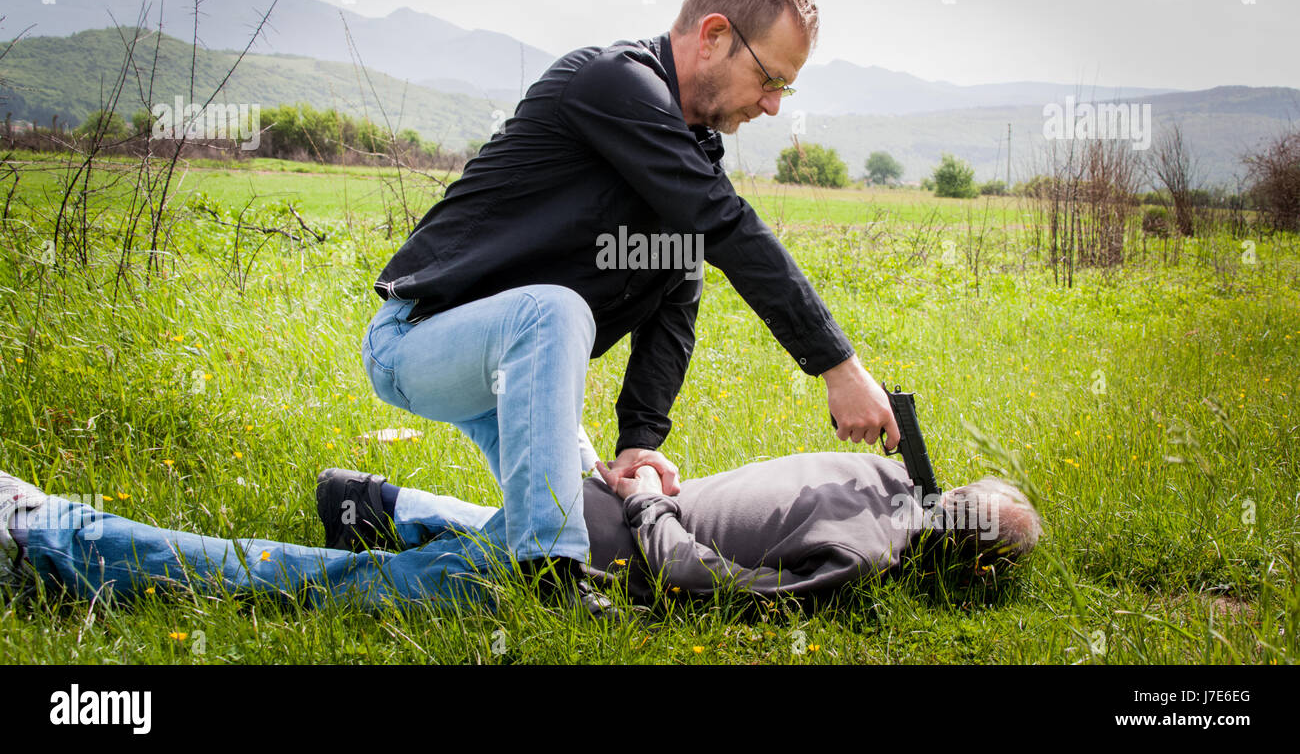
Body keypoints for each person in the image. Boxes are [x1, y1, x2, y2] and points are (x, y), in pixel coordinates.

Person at [362, 0, 902, 613]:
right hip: (419, 339)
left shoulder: (689, 149)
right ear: (713, 36)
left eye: (785, 89)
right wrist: (838, 365)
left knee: (597, 518)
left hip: (516, 364)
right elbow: (728, 225)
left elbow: (675, 306)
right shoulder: (613, 85)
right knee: (553, 318)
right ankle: (549, 585)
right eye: (768, 78)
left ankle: (369, 506)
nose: (770, 106)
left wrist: (638, 442)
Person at [0, 454, 1041, 613]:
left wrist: (631, 487)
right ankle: (53, 531)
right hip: (581, 548)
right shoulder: (871, 551)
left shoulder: (872, 469)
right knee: (306, 585)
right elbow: (696, 578)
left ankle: (386, 506)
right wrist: (645, 505)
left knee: (428, 548)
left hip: (565, 501)